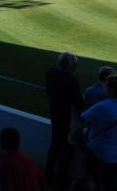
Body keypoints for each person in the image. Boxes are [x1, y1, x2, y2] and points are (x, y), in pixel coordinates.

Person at [81, 75, 117, 191]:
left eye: (107, 87)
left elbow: (83, 117)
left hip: (97, 151)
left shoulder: (103, 106)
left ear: (112, 91)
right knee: (111, 185)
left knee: (92, 182)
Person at [45, 52, 84, 190]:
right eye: (75, 64)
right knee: (66, 152)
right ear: (69, 65)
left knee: (55, 145)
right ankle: (61, 182)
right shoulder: (71, 80)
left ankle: (48, 176)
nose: (77, 67)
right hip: (67, 119)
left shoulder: (51, 73)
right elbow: (79, 104)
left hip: (55, 115)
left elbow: (48, 91)